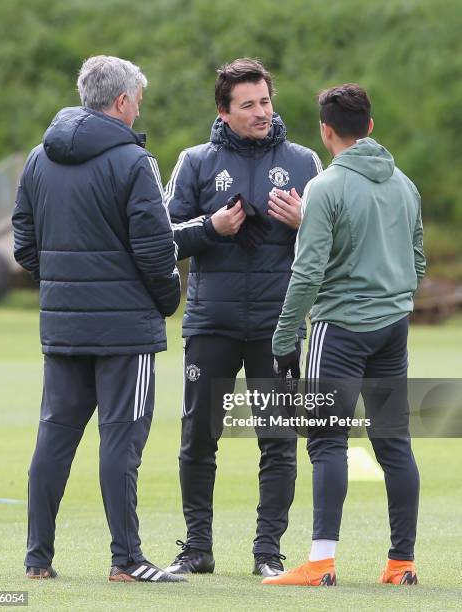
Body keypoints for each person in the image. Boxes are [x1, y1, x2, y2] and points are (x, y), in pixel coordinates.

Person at [12, 55, 184, 583]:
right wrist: (163, 300)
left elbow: (24, 244)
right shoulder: (133, 162)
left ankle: (37, 560)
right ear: (123, 101)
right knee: (121, 442)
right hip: (126, 331)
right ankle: (126, 559)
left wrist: (67, 287)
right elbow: (156, 250)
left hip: (63, 327)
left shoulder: (40, 158)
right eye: (139, 99)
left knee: (53, 438)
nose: (139, 109)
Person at [164, 58, 323, 577]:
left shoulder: (304, 162)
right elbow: (161, 238)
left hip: (279, 324)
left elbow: (333, 242)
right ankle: (197, 547)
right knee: (198, 437)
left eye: (266, 101)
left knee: (277, 439)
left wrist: (306, 223)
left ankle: (267, 552)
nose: (261, 112)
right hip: (211, 320)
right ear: (223, 111)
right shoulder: (194, 162)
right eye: (248, 104)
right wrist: (211, 227)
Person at [264, 83, 425, 586]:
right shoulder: (405, 185)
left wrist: (283, 338)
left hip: (339, 331)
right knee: (394, 443)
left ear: (325, 131)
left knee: (328, 441)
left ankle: (321, 562)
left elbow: (307, 274)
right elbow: (417, 262)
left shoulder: (326, 187)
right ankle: (401, 564)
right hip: (393, 329)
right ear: (370, 127)